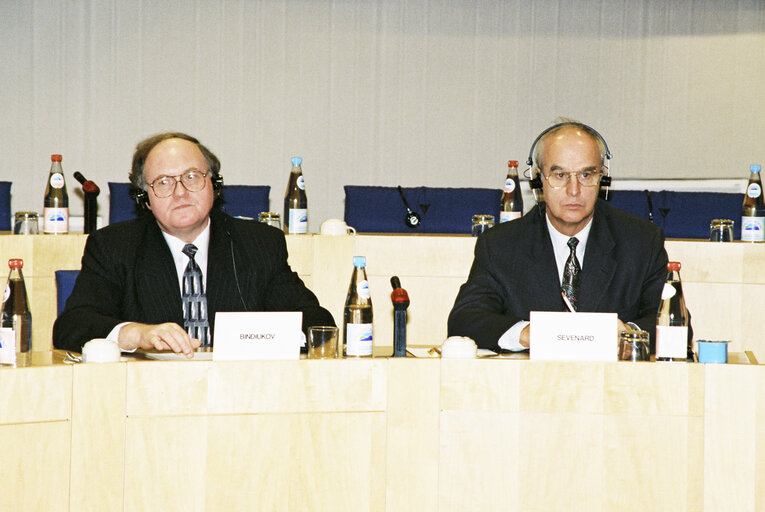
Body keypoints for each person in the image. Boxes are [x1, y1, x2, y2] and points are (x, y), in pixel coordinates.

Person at [53, 132, 335, 356]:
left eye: (191, 177)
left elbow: (317, 323)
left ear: (215, 184)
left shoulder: (259, 243)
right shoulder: (114, 246)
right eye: (163, 182)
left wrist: (260, 337)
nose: (180, 192)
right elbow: (72, 326)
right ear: (145, 199)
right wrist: (138, 334)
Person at [448, 121, 674, 353]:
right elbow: (465, 320)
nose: (574, 190)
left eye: (586, 174)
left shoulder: (641, 241)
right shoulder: (500, 245)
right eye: (559, 175)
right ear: (538, 180)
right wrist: (526, 334)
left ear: (602, 179)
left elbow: (672, 322)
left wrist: (629, 335)